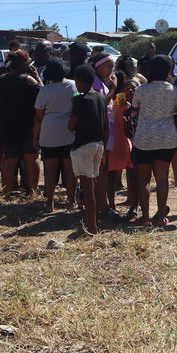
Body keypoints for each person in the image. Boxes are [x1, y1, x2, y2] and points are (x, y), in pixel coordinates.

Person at [129, 55, 177, 226]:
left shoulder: (142, 90)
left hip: (145, 138)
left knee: (143, 179)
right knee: (162, 178)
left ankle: (144, 217)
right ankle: (160, 215)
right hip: (167, 138)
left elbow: (134, 108)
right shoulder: (174, 90)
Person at [0, 51, 42, 197]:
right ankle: (32, 191)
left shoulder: (1, 80)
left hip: (7, 125)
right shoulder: (28, 81)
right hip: (27, 127)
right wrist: (37, 77)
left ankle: (7, 191)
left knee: (9, 158)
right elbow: (43, 95)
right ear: (24, 65)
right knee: (31, 158)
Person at [68, 63, 108, 234]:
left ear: (79, 81)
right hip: (99, 144)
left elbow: (71, 126)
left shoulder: (79, 99)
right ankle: (96, 218)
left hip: (83, 145)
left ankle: (92, 226)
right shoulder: (100, 97)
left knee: (87, 187)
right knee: (94, 183)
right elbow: (106, 126)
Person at [34, 58, 77, 214]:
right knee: (70, 169)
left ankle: (49, 203)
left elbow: (38, 117)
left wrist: (35, 137)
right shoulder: (73, 85)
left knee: (50, 170)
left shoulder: (45, 90)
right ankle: (71, 202)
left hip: (49, 133)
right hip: (69, 132)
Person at [107, 72, 138, 217]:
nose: (130, 91)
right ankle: (111, 205)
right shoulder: (119, 103)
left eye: (134, 88)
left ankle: (132, 203)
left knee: (132, 175)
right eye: (127, 88)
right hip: (116, 144)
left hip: (130, 145)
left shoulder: (138, 105)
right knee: (112, 175)